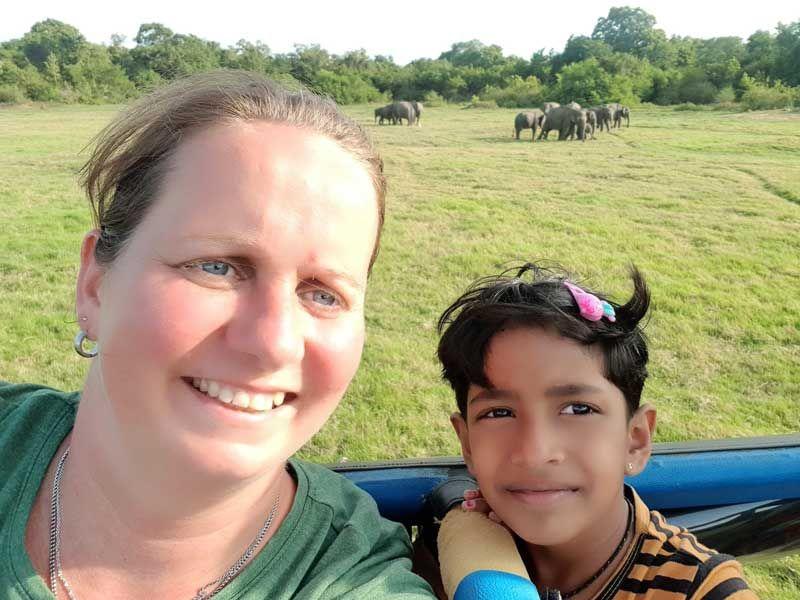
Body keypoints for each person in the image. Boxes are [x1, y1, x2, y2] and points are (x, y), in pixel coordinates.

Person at [0, 71, 436, 599]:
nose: (274, 342)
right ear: (94, 285)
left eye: (323, 294)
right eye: (216, 267)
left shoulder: (355, 580)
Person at [430, 263, 756, 599]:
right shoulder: (440, 562)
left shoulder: (703, 592)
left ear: (635, 440)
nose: (535, 453)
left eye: (578, 409)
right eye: (499, 413)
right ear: (467, 444)